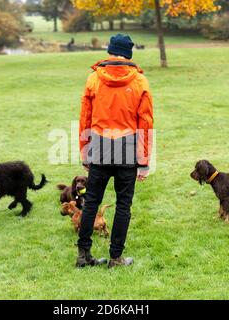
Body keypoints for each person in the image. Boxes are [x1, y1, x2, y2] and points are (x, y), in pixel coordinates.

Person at [77, 34, 154, 268]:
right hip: (128, 149)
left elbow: (85, 119)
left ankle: (83, 256)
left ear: (110, 52)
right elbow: (146, 123)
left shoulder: (93, 79)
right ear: (128, 54)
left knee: (91, 202)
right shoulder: (140, 82)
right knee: (123, 205)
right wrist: (144, 161)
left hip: (99, 145)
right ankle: (116, 258)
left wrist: (85, 151)